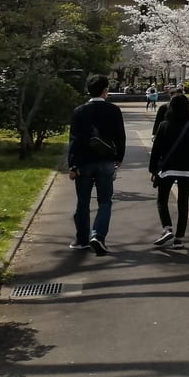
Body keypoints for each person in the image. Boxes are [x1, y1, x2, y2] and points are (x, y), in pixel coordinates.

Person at [68, 74, 126, 255]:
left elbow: (74, 140)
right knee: (105, 201)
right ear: (105, 90)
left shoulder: (79, 111)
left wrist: (72, 165)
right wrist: (119, 157)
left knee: (83, 202)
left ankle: (81, 239)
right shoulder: (113, 110)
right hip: (106, 161)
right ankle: (98, 235)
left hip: (84, 162)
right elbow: (120, 136)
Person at [148, 92, 189, 249]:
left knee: (162, 199)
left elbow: (156, 150)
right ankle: (179, 239)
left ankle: (167, 227)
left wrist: (153, 170)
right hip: (187, 170)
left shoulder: (164, 125)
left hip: (167, 169)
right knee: (183, 203)